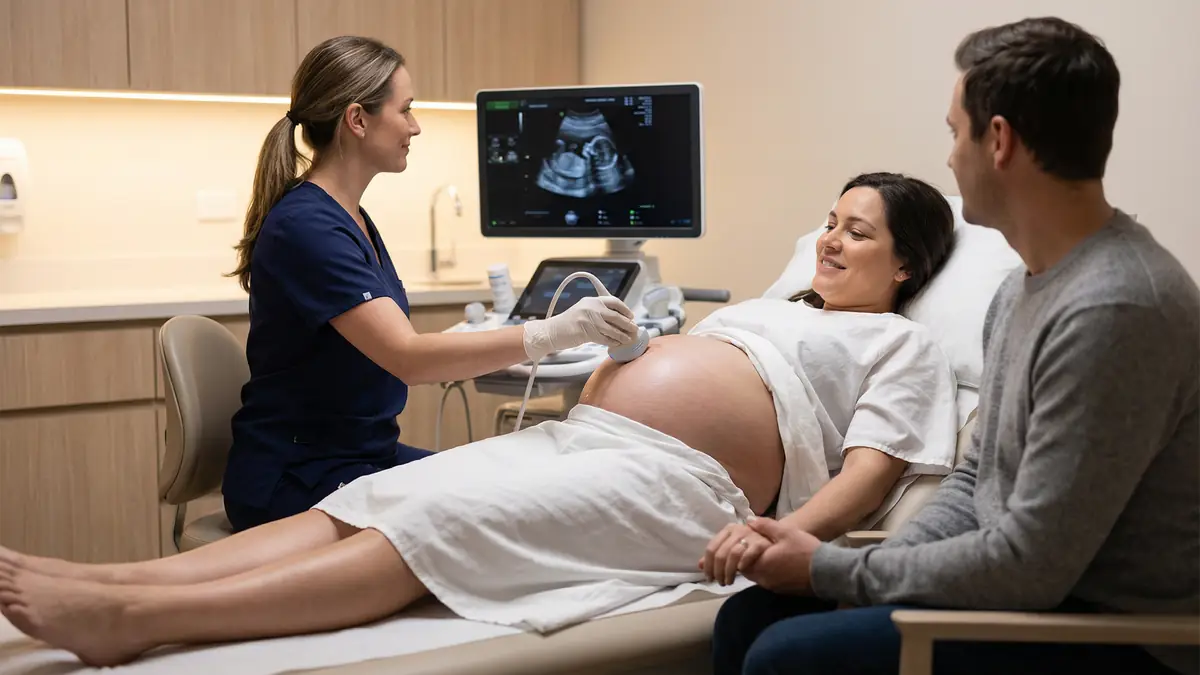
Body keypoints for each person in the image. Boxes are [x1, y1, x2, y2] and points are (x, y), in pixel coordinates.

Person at [0, 172, 960, 668]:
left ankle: (135, 620)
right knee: (378, 491)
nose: (830, 239)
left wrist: (785, 537)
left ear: (906, 263)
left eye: (857, 230)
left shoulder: (902, 346)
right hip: (589, 440)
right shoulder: (775, 304)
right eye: (829, 222)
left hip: (684, 487)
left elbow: (873, 471)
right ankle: (115, 574)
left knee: (435, 525)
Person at [711, 16, 1200, 675]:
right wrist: (872, 570)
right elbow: (977, 479)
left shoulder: (1116, 307)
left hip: (1111, 631)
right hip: (1031, 597)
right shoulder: (1024, 288)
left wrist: (835, 569)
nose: (948, 157)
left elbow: (1033, 565)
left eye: (954, 132)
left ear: (998, 140)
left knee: (784, 655)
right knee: (748, 614)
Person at [220, 35, 639, 532]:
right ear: (357, 120)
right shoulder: (308, 226)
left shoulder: (348, 218)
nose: (415, 126)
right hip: (297, 477)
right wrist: (553, 333)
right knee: (492, 518)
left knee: (507, 482)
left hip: (357, 458)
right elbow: (408, 358)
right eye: (406, 110)